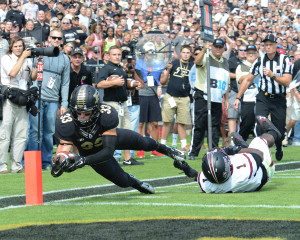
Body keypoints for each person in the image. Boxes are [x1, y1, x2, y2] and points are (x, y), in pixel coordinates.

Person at [51, 85, 186, 194]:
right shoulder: (65, 122)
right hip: (91, 152)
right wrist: (60, 161)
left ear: (97, 108)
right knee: (122, 181)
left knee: (144, 142)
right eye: (78, 112)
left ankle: (165, 149)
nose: (82, 117)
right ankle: (135, 182)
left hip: (110, 141)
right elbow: (63, 150)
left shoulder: (106, 114)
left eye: (87, 113)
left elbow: (109, 151)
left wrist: (84, 161)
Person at [173, 116, 280, 193]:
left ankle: (241, 147)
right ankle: (274, 132)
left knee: (239, 151)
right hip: (262, 170)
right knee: (258, 141)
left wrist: (187, 170)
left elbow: (197, 177)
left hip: (240, 171)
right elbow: (258, 154)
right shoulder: (245, 169)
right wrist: (233, 150)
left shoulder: (210, 185)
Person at [233, 34, 292, 161]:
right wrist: (238, 97)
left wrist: (273, 75)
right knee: (260, 122)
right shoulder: (259, 61)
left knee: (280, 129)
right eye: (266, 45)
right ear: (263, 47)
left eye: (271, 44)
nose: (269, 47)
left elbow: (287, 82)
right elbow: (248, 79)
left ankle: (279, 145)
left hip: (278, 98)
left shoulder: (285, 59)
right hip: (263, 97)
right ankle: (260, 152)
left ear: (276, 45)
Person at [26, 29, 70, 170]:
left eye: (59, 38)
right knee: (34, 131)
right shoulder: (39, 53)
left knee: (49, 132)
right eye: (54, 37)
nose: (56, 40)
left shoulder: (65, 59)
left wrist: (64, 104)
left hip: (52, 100)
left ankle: (45, 163)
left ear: (62, 40)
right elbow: (30, 75)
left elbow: (65, 83)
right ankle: (31, 161)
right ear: (49, 38)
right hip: (37, 97)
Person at [96, 46, 142, 165]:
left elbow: (123, 84)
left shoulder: (121, 68)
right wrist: (113, 82)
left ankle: (127, 159)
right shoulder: (106, 68)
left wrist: (132, 84)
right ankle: (110, 158)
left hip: (123, 103)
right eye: (114, 54)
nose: (117, 57)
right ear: (109, 56)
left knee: (127, 131)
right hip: (111, 103)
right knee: (112, 132)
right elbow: (99, 84)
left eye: (118, 54)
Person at [0, 37, 38, 174]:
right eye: (16, 46)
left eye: (21, 46)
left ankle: (16, 165)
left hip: (23, 99)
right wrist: (22, 57)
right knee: (5, 135)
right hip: (9, 99)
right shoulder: (5, 58)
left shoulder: (27, 60)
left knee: (21, 135)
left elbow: (32, 78)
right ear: (11, 47)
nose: (18, 48)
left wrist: (38, 66)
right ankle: (2, 166)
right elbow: (12, 73)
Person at [188, 39, 230, 160]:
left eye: (220, 47)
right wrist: (204, 49)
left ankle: (214, 151)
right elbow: (196, 62)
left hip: (217, 97)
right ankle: (194, 152)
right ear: (212, 47)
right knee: (200, 124)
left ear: (223, 49)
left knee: (215, 126)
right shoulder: (206, 57)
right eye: (215, 46)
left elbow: (226, 82)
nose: (217, 49)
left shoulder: (225, 62)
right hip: (203, 94)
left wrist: (226, 99)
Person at [160, 45, 193, 152]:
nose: (186, 54)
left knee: (182, 122)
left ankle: (184, 145)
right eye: (184, 52)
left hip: (184, 97)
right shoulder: (173, 63)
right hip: (171, 96)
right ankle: (162, 145)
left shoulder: (192, 66)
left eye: (188, 52)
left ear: (190, 54)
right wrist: (168, 70)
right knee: (167, 122)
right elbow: (163, 81)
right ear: (180, 53)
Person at [135, 42, 164, 158]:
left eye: (152, 51)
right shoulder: (139, 63)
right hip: (142, 94)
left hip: (153, 94)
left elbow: (162, 79)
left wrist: (161, 85)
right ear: (144, 53)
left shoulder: (158, 64)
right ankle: (139, 149)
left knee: (155, 123)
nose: (150, 54)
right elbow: (137, 77)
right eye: (148, 52)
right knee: (141, 123)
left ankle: (155, 148)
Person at [236, 45, 259, 141]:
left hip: (260, 99)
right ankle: (239, 144)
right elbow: (241, 80)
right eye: (249, 53)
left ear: (257, 54)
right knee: (246, 125)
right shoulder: (241, 66)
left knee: (261, 125)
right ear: (245, 54)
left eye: (253, 53)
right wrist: (253, 73)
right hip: (247, 99)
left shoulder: (261, 65)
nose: (251, 55)